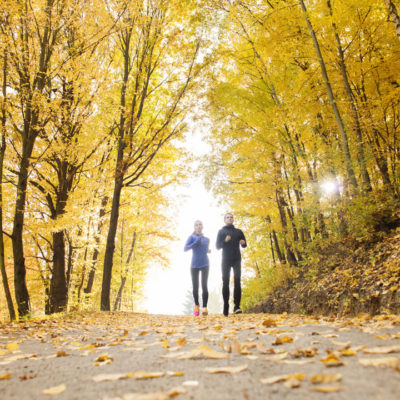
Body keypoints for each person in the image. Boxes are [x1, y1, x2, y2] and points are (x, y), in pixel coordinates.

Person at [216, 212, 247, 316]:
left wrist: (243, 243)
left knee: (237, 281)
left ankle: (237, 306)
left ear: (233, 219)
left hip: (236, 259)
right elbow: (217, 246)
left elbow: (244, 244)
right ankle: (226, 306)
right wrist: (225, 241)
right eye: (227, 217)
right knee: (225, 282)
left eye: (231, 217)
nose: (230, 219)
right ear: (225, 220)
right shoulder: (221, 231)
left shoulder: (238, 231)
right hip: (225, 260)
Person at [184, 220, 211, 316]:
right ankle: (196, 305)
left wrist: (208, 250)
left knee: (204, 285)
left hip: (205, 264)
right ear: (194, 227)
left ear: (202, 227)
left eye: (200, 225)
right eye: (196, 225)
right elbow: (185, 248)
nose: (198, 226)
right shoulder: (191, 237)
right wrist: (195, 243)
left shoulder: (207, 239)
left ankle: (204, 307)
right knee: (195, 287)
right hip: (194, 265)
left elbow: (205, 249)